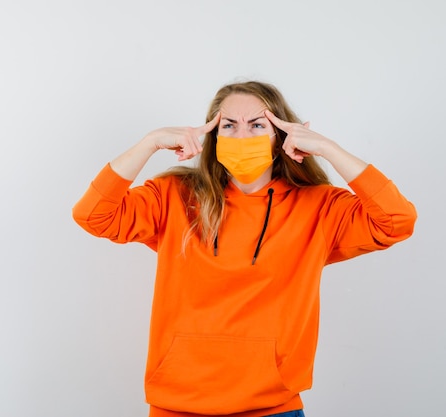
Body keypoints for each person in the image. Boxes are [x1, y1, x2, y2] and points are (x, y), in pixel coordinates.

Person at [72, 80, 417, 417]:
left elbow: (397, 220)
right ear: (213, 135)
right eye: (229, 126)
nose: (242, 137)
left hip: (271, 407)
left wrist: (328, 148)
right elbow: (93, 215)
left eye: (256, 125)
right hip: (177, 405)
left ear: (281, 135)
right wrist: (148, 143)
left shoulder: (319, 207)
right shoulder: (174, 196)